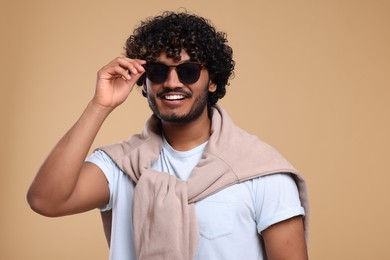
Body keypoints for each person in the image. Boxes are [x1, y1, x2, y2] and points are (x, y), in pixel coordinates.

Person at [27, 11, 309, 260]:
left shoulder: (260, 171)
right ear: (144, 80)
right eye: (158, 71)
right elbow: (45, 200)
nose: (172, 82)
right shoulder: (121, 165)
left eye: (188, 71)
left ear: (212, 81)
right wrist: (100, 105)